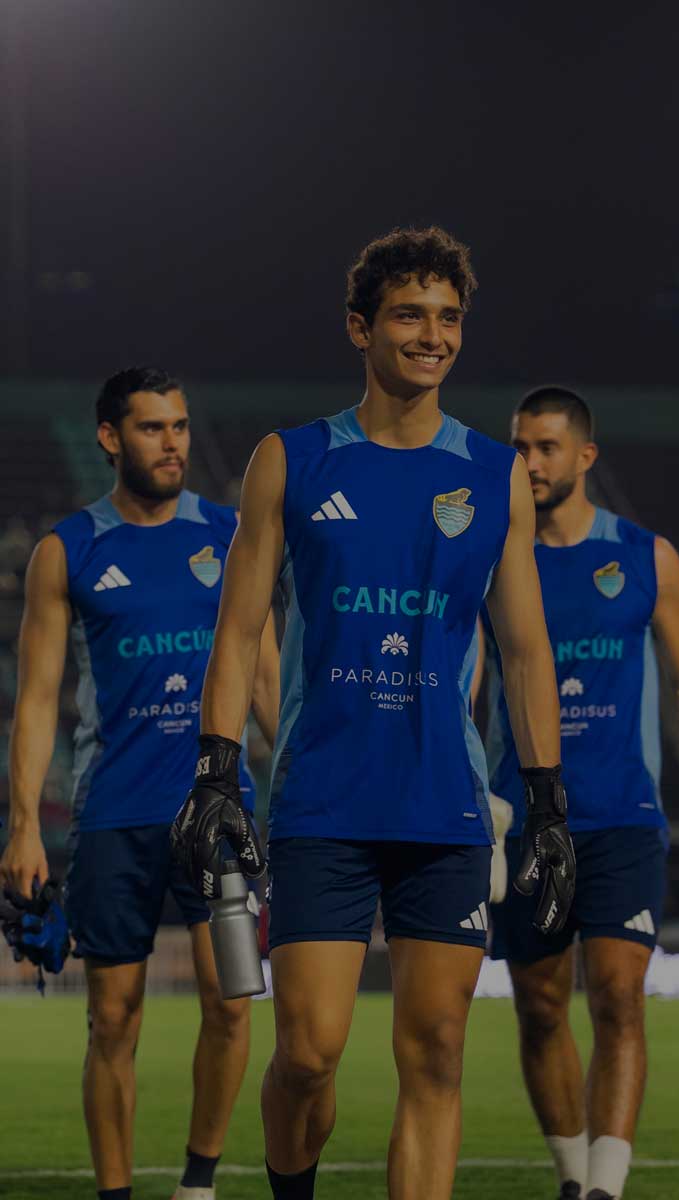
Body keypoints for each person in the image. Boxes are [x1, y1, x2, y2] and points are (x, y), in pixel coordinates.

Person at [170, 227, 573, 1200]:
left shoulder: (492, 474)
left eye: (447, 318)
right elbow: (237, 632)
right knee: (307, 1053)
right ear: (360, 327)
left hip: (444, 807)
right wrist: (216, 773)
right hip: (322, 804)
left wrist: (547, 806)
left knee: (434, 1051)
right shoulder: (291, 461)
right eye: (407, 314)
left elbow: (523, 648)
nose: (430, 334)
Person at [0, 366, 279, 1200]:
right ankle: (116, 1193)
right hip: (114, 817)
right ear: (110, 438)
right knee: (111, 1020)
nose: (173, 444)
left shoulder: (231, 535)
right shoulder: (68, 550)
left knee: (233, 1004)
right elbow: (39, 698)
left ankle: (198, 1183)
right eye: (154, 428)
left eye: (182, 427)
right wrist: (21, 825)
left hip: (220, 814)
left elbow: (265, 677)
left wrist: (297, 783)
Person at [479, 386, 679, 1200]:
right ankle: (570, 1177)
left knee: (622, 997)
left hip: (623, 817)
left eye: (547, 447)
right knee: (541, 1007)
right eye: (520, 446)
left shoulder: (643, 556)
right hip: (523, 818)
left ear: (585, 456)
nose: (529, 462)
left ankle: (605, 1187)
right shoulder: (489, 556)